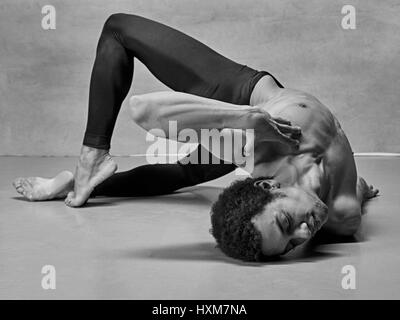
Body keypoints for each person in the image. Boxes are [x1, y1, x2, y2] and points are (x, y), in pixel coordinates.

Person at [12, 13, 379, 261]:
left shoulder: (257, 151)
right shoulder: (343, 217)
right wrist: (361, 188)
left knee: (183, 173)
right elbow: (355, 191)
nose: (304, 233)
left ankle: (78, 178)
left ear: (268, 187)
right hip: (249, 101)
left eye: (288, 234)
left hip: (243, 108)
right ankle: (87, 169)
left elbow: (145, 111)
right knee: (119, 32)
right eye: (290, 236)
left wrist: (251, 121)